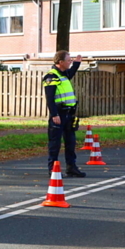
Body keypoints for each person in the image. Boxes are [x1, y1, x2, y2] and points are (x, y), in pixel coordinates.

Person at [43, 50, 86, 178]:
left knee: (71, 142)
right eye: (68, 60)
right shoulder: (51, 77)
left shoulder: (64, 75)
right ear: (60, 62)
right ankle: (53, 169)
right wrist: (54, 114)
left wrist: (77, 63)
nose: (70, 62)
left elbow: (71, 73)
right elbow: (50, 98)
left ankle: (71, 168)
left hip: (69, 114)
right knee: (55, 143)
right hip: (59, 114)